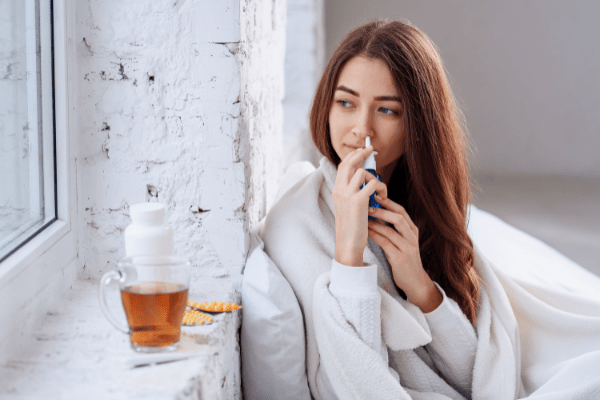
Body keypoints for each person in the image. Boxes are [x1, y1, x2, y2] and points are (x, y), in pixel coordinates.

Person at [260, 19, 600, 400]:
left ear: (418, 124)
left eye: (387, 111)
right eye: (345, 102)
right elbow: (355, 383)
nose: (361, 128)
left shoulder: (419, 203)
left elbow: (475, 375)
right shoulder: (298, 224)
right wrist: (348, 258)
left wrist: (420, 285)